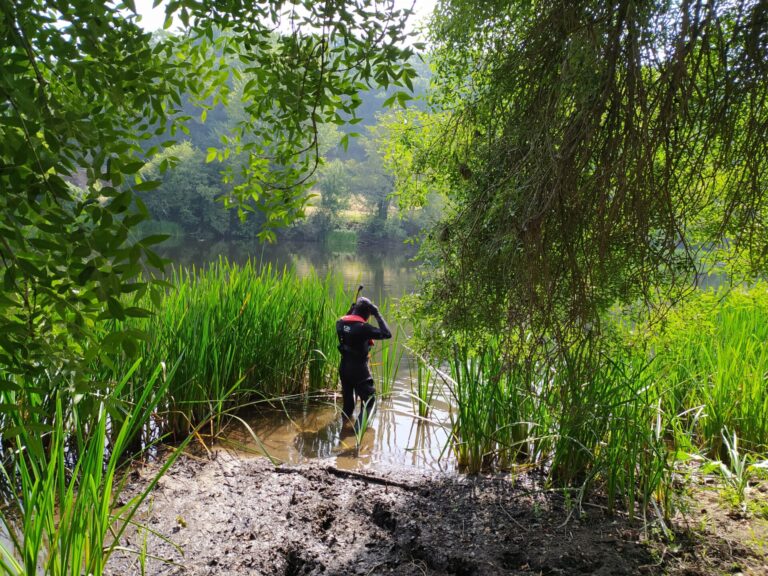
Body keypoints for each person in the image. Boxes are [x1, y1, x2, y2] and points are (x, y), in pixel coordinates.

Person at [336, 296, 391, 430]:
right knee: (370, 402)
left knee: (348, 405)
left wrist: (352, 309)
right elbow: (387, 333)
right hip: (359, 371)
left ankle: (343, 429)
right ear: (368, 313)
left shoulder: (340, 323)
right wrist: (377, 313)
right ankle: (356, 436)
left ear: (354, 310)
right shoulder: (363, 328)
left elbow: (348, 318)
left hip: (344, 368)